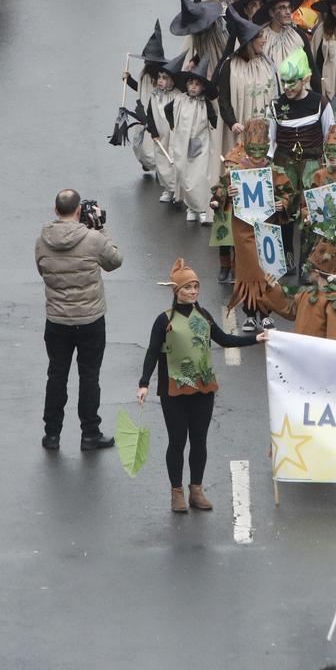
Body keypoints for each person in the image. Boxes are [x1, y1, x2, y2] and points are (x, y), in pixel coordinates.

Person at [136, 258, 265, 513]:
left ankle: (196, 489)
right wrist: (144, 383)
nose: (193, 291)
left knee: (199, 440)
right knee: (176, 441)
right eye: (187, 287)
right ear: (176, 290)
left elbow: (225, 339)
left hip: (203, 387)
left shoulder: (204, 316)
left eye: (195, 286)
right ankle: (177, 493)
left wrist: (255, 339)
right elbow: (152, 353)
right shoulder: (164, 320)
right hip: (173, 388)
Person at [35, 189, 123, 451]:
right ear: (78, 211)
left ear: (55, 210)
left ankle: (52, 434)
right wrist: (101, 228)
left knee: (56, 375)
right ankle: (90, 433)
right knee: (89, 376)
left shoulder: (42, 239)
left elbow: (41, 269)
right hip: (90, 320)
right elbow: (115, 261)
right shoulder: (93, 238)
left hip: (57, 321)